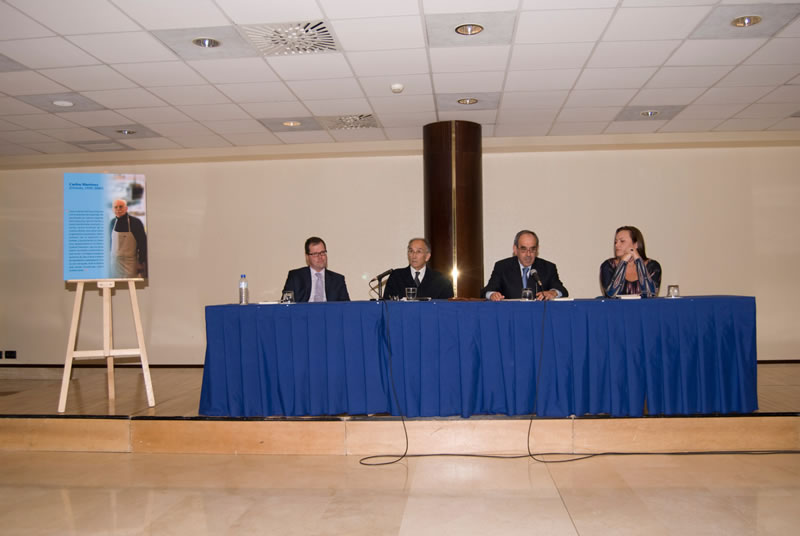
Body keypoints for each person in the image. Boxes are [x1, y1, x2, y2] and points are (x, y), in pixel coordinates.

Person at [482, 230, 568, 301]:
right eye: (523, 249)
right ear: (515, 249)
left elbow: (562, 291)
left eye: (532, 249)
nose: (528, 254)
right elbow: (486, 291)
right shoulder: (502, 267)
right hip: (511, 315)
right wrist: (492, 294)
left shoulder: (548, 268)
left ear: (537, 249)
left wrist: (553, 293)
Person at [382, 238, 454, 300]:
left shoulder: (441, 280)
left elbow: (447, 307)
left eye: (419, 251)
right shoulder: (396, 276)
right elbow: (387, 304)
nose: (414, 256)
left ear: (427, 256)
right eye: (411, 251)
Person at [282, 236, 350, 302]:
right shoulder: (295, 277)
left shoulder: (337, 280)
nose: (320, 257)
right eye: (315, 254)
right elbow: (286, 305)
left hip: (329, 313)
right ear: (307, 257)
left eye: (322, 252)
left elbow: (346, 307)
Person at [600, 226, 661, 298]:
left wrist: (638, 260)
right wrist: (623, 262)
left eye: (622, 241)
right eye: (615, 242)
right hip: (616, 309)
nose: (616, 245)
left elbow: (650, 295)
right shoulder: (608, 266)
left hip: (644, 308)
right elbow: (612, 295)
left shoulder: (653, 266)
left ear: (636, 244)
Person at [109, 198, 147, 278]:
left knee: (131, 286)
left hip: (130, 263)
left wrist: (141, 261)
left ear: (126, 208)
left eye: (121, 207)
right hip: (115, 264)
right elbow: (109, 243)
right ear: (113, 209)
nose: (118, 209)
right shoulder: (112, 223)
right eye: (116, 207)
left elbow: (143, 244)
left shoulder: (135, 222)